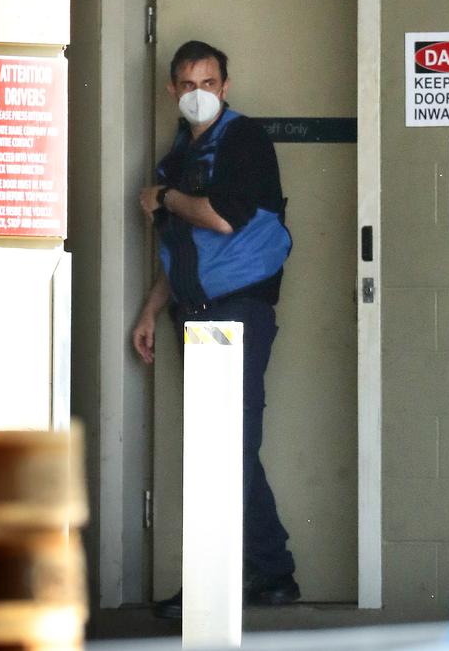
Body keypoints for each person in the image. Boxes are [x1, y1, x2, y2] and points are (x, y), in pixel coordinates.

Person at [133, 40, 300, 619]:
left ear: (224, 88)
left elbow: (222, 218)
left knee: (223, 448)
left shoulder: (245, 140)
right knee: (226, 446)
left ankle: (214, 587)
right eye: (185, 83)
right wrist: (153, 309)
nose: (196, 94)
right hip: (197, 308)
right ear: (172, 90)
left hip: (237, 310)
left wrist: (164, 198)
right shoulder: (182, 152)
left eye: (207, 83)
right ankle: (271, 570)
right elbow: (183, 249)